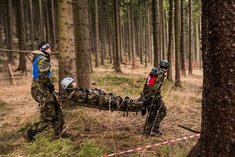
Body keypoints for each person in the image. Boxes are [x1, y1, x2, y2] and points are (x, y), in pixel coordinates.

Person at [22, 42, 64, 142]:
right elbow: (43, 76)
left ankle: (59, 134)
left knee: (57, 110)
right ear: (45, 49)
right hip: (42, 91)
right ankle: (29, 133)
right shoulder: (42, 59)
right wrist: (51, 85)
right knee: (49, 115)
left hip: (43, 90)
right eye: (50, 48)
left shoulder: (40, 58)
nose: (51, 50)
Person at [60, 77, 143, 113]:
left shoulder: (75, 92)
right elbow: (91, 96)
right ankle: (139, 105)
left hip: (101, 99)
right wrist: (100, 92)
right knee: (119, 102)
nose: (75, 84)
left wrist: (98, 91)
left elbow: (89, 93)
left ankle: (137, 102)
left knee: (118, 99)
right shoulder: (76, 94)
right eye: (72, 83)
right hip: (101, 100)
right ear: (69, 86)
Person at [141, 60, 169, 136]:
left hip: (148, 95)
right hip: (152, 97)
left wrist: (144, 95)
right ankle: (149, 131)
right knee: (156, 112)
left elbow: (146, 85)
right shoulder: (160, 74)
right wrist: (153, 98)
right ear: (167, 67)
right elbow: (154, 88)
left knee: (156, 112)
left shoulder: (154, 71)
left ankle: (153, 129)